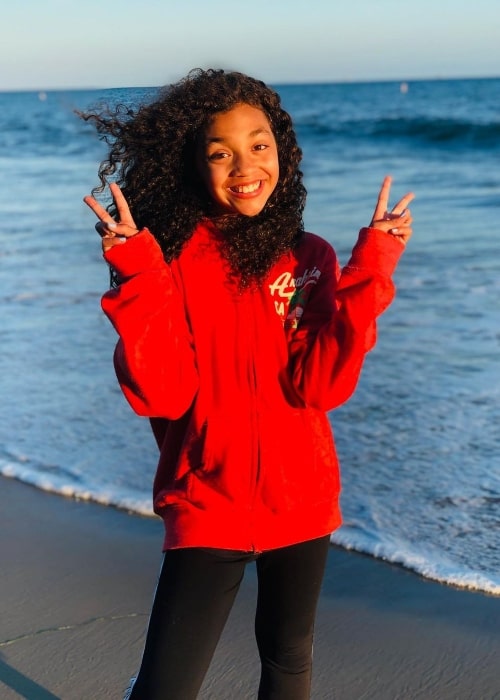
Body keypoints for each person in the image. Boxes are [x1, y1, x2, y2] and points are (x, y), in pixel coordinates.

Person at [82, 68, 414, 700]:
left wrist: (371, 266)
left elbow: (322, 386)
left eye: (259, 145)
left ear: (282, 152)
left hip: (302, 499)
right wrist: (137, 274)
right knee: (166, 687)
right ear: (191, 166)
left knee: (289, 662)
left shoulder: (308, 256)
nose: (245, 165)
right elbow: (163, 393)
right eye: (220, 152)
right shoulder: (167, 259)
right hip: (206, 499)